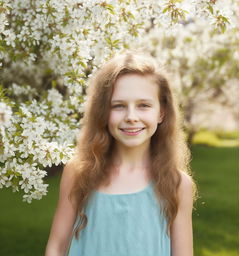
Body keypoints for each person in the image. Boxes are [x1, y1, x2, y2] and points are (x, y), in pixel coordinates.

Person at [45, 50, 197, 256]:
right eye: (118, 106)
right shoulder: (79, 172)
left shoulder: (177, 184)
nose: (131, 117)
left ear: (161, 112)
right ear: (103, 112)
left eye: (143, 105)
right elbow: (57, 246)